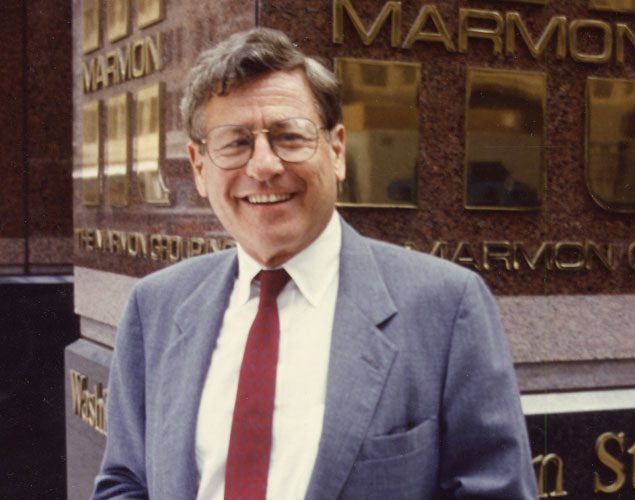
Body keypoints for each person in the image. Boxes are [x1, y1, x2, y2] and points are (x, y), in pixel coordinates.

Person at [92, 27, 537, 499]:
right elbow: (126, 481)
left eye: (289, 136)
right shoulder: (156, 306)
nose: (263, 165)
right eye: (235, 143)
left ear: (337, 151)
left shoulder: (446, 307)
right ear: (199, 168)